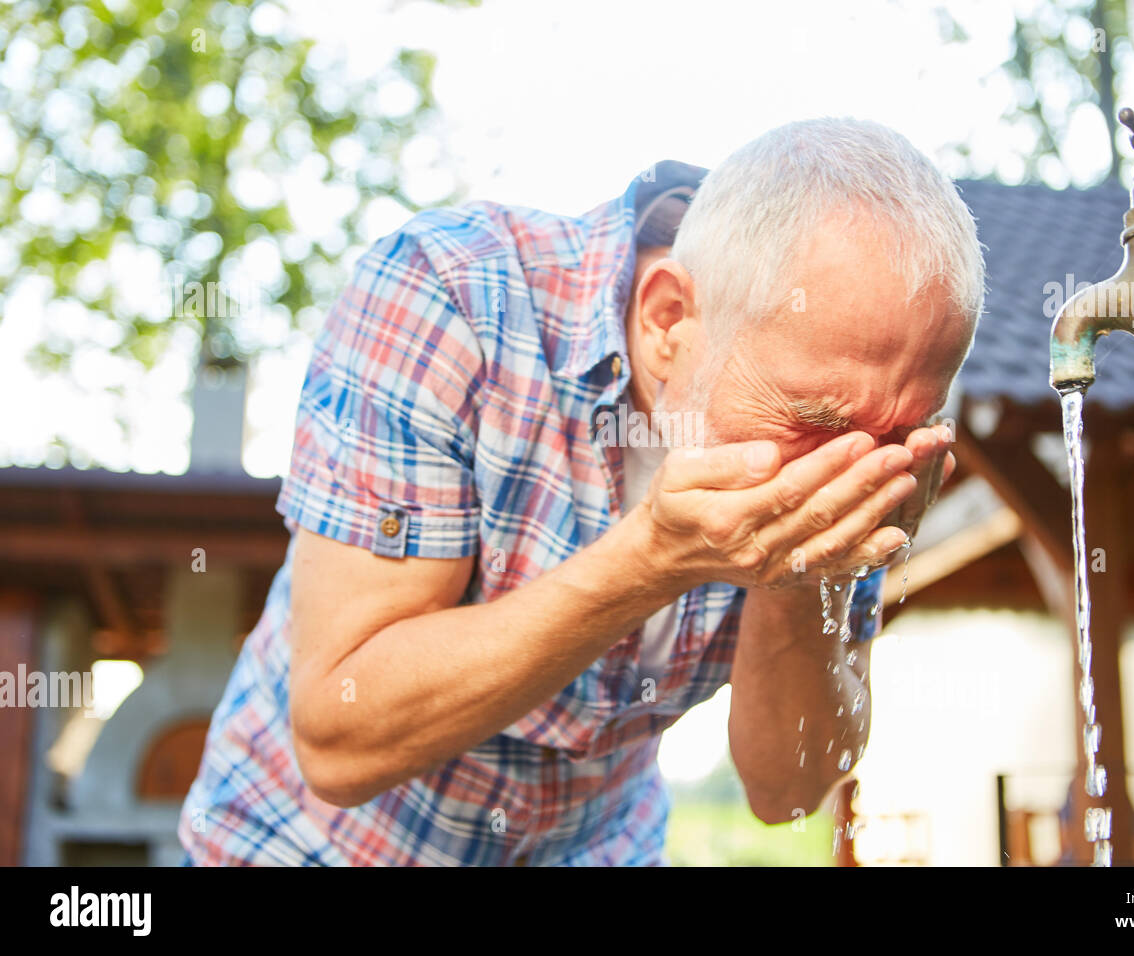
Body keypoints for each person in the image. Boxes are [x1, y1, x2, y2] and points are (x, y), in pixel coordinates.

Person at [178, 117, 984, 866]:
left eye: (893, 432)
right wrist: (649, 563)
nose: (847, 468)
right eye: (812, 418)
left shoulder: (871, 441)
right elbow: (339, 738)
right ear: (670, 319)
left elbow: (789, 789)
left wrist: (804, 575)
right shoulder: (452, 293)